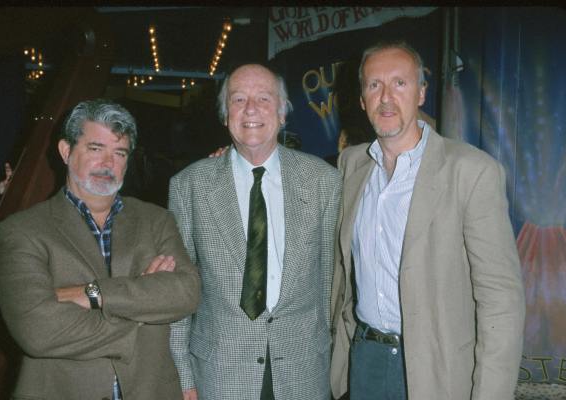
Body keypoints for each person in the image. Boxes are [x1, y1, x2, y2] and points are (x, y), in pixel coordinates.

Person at [330, 42, 525, 400]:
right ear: (361, 99)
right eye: (374, 85)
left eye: (399, 84)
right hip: (365, 359)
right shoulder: (350, 166)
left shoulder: (471, 172)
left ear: (421, 92)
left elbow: (501, 300)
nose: (386, 97)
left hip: (438, 370)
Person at [0, 99, 201, 400]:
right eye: (95, 149)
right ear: (66, 151)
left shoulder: (157, 220)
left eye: (119, 153)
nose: (108, 163)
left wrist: (93, 294)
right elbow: (37, 331)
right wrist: (141, 310)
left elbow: (187, 292)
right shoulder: (21, 231)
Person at [169, 64, 342, 400]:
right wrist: (182, 375)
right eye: (238, 99)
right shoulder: (189, 186)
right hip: (219, 374)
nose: (250, 109)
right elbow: (179, 293)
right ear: (224, 115)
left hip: (303, 373)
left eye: (264, 98)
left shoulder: (324, 181)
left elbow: (329, 285)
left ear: (282, 113)